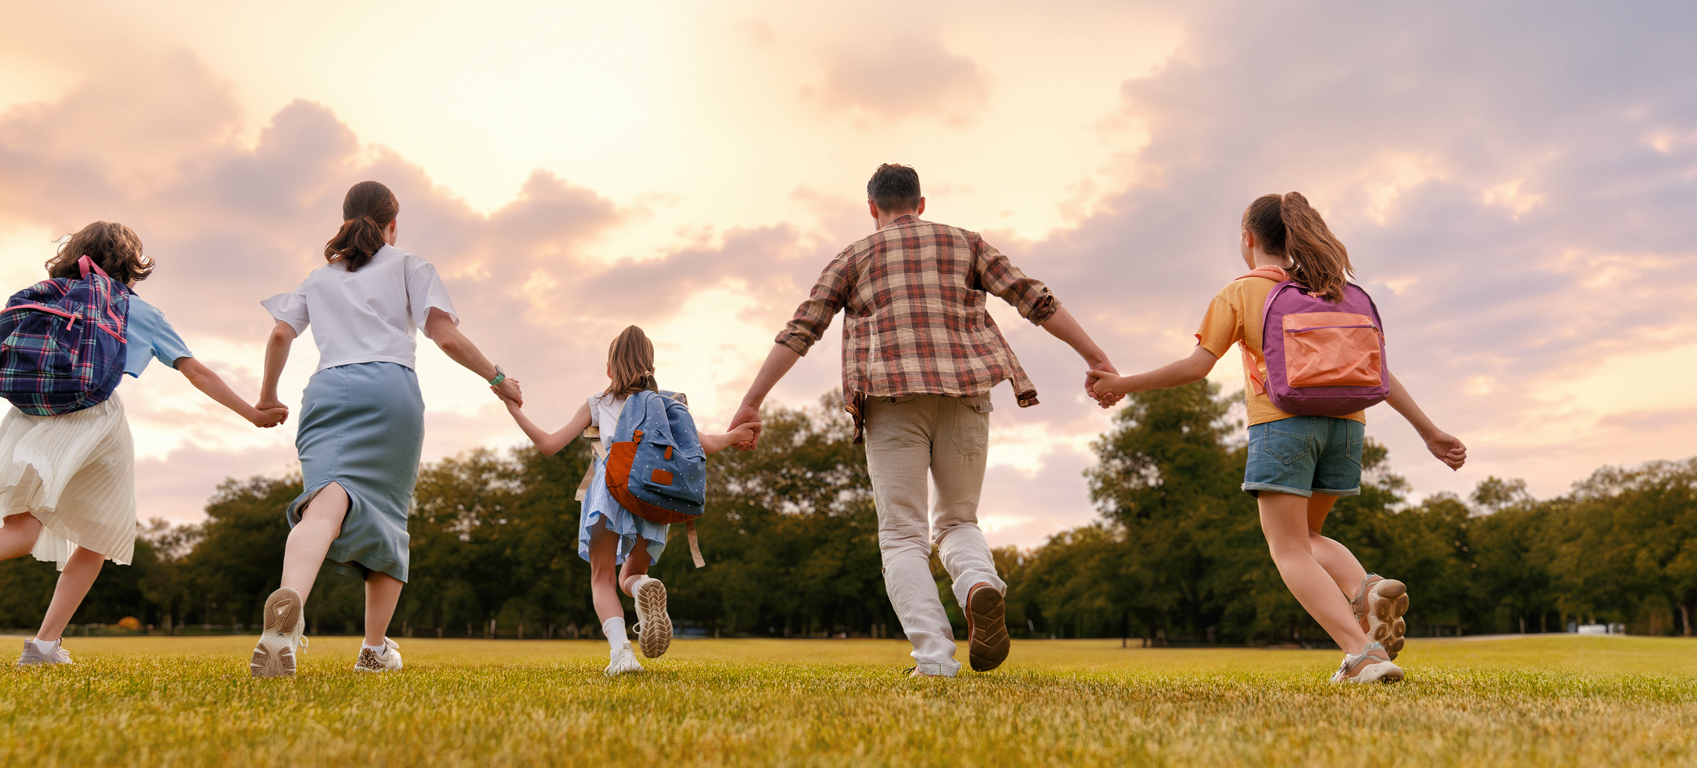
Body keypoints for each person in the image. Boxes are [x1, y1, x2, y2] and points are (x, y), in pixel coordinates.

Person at [729, 164, 1116, 678]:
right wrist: (1097, 358)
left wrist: (753, 400)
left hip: (892, 398)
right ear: (921, 202)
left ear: (873, 209)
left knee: (902, 537)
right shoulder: (968, 244)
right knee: (958, 520)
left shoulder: (855, 255)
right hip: (966, 391)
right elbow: (1034, 300)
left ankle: (935, 660)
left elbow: (801, 330)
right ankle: (978, 583)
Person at [1086, 192, 1468, 684]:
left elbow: (1196, 367)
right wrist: (1430, 432)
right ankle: (1364, 586)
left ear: (1249, 238)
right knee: (1306, 538)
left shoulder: (1240, 292)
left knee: (1287, 549)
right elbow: (1380, 373)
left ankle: (1361, 652)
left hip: (1282, 424)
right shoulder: (1330, 289)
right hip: (1348, 429)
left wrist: (1122, 384)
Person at [0, 221, 284, 666]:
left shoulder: (45, 296)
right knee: (97, 537)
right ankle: (44, 646)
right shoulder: (136, 311)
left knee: (19, 529)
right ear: (131, 265)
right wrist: (251, 411)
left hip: (28, 420)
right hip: (95, 422)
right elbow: (195, 371)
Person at [249, 181, 520, 677]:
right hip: (390, 390)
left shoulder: (317, 278)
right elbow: (444, 335)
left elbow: (280, 333)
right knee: (390, 520)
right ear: (393, 223)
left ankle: (284, 619)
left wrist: (267, 396)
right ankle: (374, 651)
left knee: (323, 503)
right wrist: (497, 377)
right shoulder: (410, 265)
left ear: (345, 219)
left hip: (327, 389)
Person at [498, 326, 758, 676]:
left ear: (609, 368)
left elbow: (549, 445)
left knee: (603, 576)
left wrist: (513, 408)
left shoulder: (598, 404)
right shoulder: (669, 404)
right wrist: (736, 435)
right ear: (651, 365)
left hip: (612, 487)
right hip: (655, 492)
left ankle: (622, 654)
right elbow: (705, 444)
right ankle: (642, 586)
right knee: (631, 573)